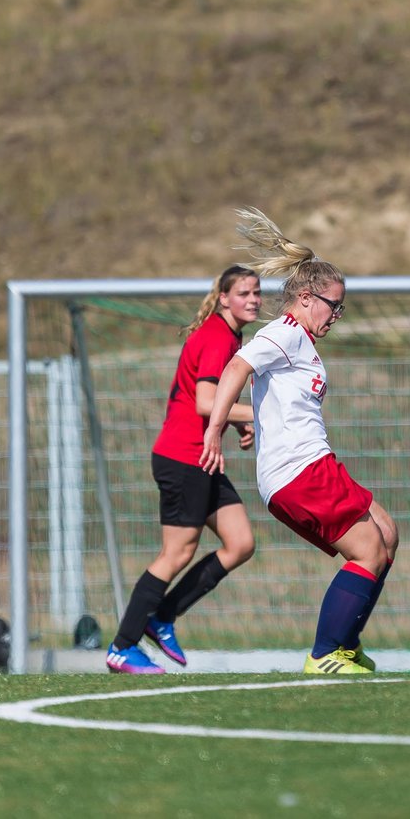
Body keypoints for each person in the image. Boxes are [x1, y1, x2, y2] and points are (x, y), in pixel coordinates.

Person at [201, 207, 399, 675]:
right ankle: (326, 653)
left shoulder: (300, 341)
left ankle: (345, 645)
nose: (337, 316)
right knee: (368, 550)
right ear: (307, 299)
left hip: (315, 464)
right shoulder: (286, 333)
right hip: (299, 472)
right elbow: (235, 367)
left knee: (387, 533)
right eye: (334, 305)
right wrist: (214, 429)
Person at [105, 264, 263, 675]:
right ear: (224, 297)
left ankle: (162, 617)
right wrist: (261, 415)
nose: (253, 300)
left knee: (240, 542)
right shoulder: (215, 337)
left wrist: (239, 421)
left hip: (201, 458)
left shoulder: (229, 335)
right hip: (183, 457)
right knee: (176, 552)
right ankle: (122, 646)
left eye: (257, 293)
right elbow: (206, 403)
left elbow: (211, 401)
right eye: (244, 293)